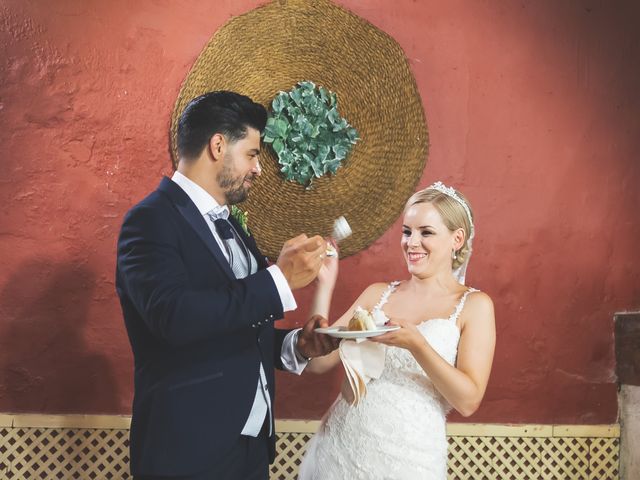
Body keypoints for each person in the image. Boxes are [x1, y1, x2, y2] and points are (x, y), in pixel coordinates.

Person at [116, 91, 339, 480]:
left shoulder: (233, 224)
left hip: (251, 449)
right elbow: (175, 318)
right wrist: (280, 279)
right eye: (252, 154)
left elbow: (234, 328)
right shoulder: (150, 221)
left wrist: (295, 347)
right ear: (218, 145)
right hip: (186, 452)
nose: (258, 169)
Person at [298, 182, 496, 479]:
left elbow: (468, 401)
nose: (411, 242)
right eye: (407, 231)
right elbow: (317, 362)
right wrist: (325, 286)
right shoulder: (377, 294)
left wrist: (417, 344)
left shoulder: (474, 305)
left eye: (425, 232)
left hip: (411, 458)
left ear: (457, 239)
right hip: (340, 451)